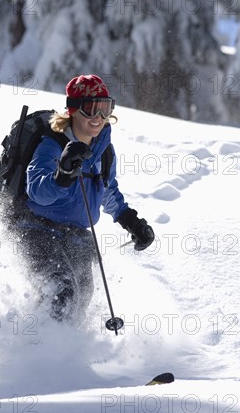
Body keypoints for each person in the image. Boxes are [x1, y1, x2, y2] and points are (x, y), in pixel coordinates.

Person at [14, 74, 154, 325]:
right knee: (61, 291)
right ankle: (39, 351)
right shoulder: (52, 144)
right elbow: (37, 191)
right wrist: (63, 174)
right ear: (73, 109)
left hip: (76, 234)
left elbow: (108, 191)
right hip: (35, 229)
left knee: (82, 296)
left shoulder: (103, 151)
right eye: (91, 109)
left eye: (105, 109)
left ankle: (68, 352)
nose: (99, 118)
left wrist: (132, 223)